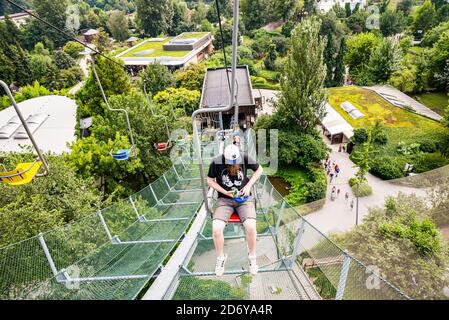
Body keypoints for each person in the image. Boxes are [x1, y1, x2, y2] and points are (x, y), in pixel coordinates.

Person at [207, 144, 263, 276]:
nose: (234, 165)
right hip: (225, 200)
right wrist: (225, 192)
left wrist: (249, 186)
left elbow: (259, 169)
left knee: (250, 226)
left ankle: (252, 257)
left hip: (244, 198)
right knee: (216, 228)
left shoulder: (243, 157)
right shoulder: (216, 162)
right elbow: (210, 180)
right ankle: (221, 258)